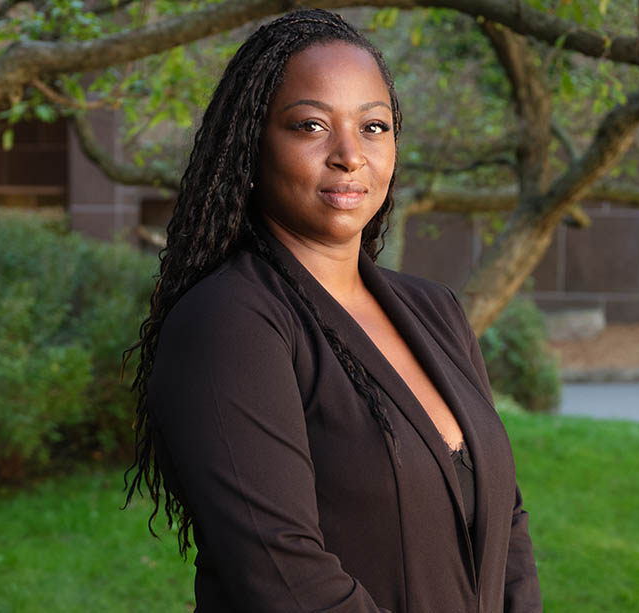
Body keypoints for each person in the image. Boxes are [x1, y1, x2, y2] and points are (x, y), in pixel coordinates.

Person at [123, 8, 542, 612]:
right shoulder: (229, 324)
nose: (350, 155)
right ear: (252, 142)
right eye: (311, 125)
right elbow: (283, 577)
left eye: (373, 126)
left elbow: (506, 520)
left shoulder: (435, 310)